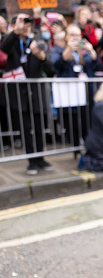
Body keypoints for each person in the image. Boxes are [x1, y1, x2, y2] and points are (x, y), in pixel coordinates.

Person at [0, 13, 54, 175]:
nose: (26, 26)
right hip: (18, 95)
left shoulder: (37, 41)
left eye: (28, 23)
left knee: (38, 127)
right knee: (25, 129)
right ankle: (31, 160)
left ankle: (41, 158)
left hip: (35, 93)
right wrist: (15, 31)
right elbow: (3, 50)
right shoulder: (10, 41)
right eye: (22, 22)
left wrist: (41, 56)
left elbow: (51, 68)